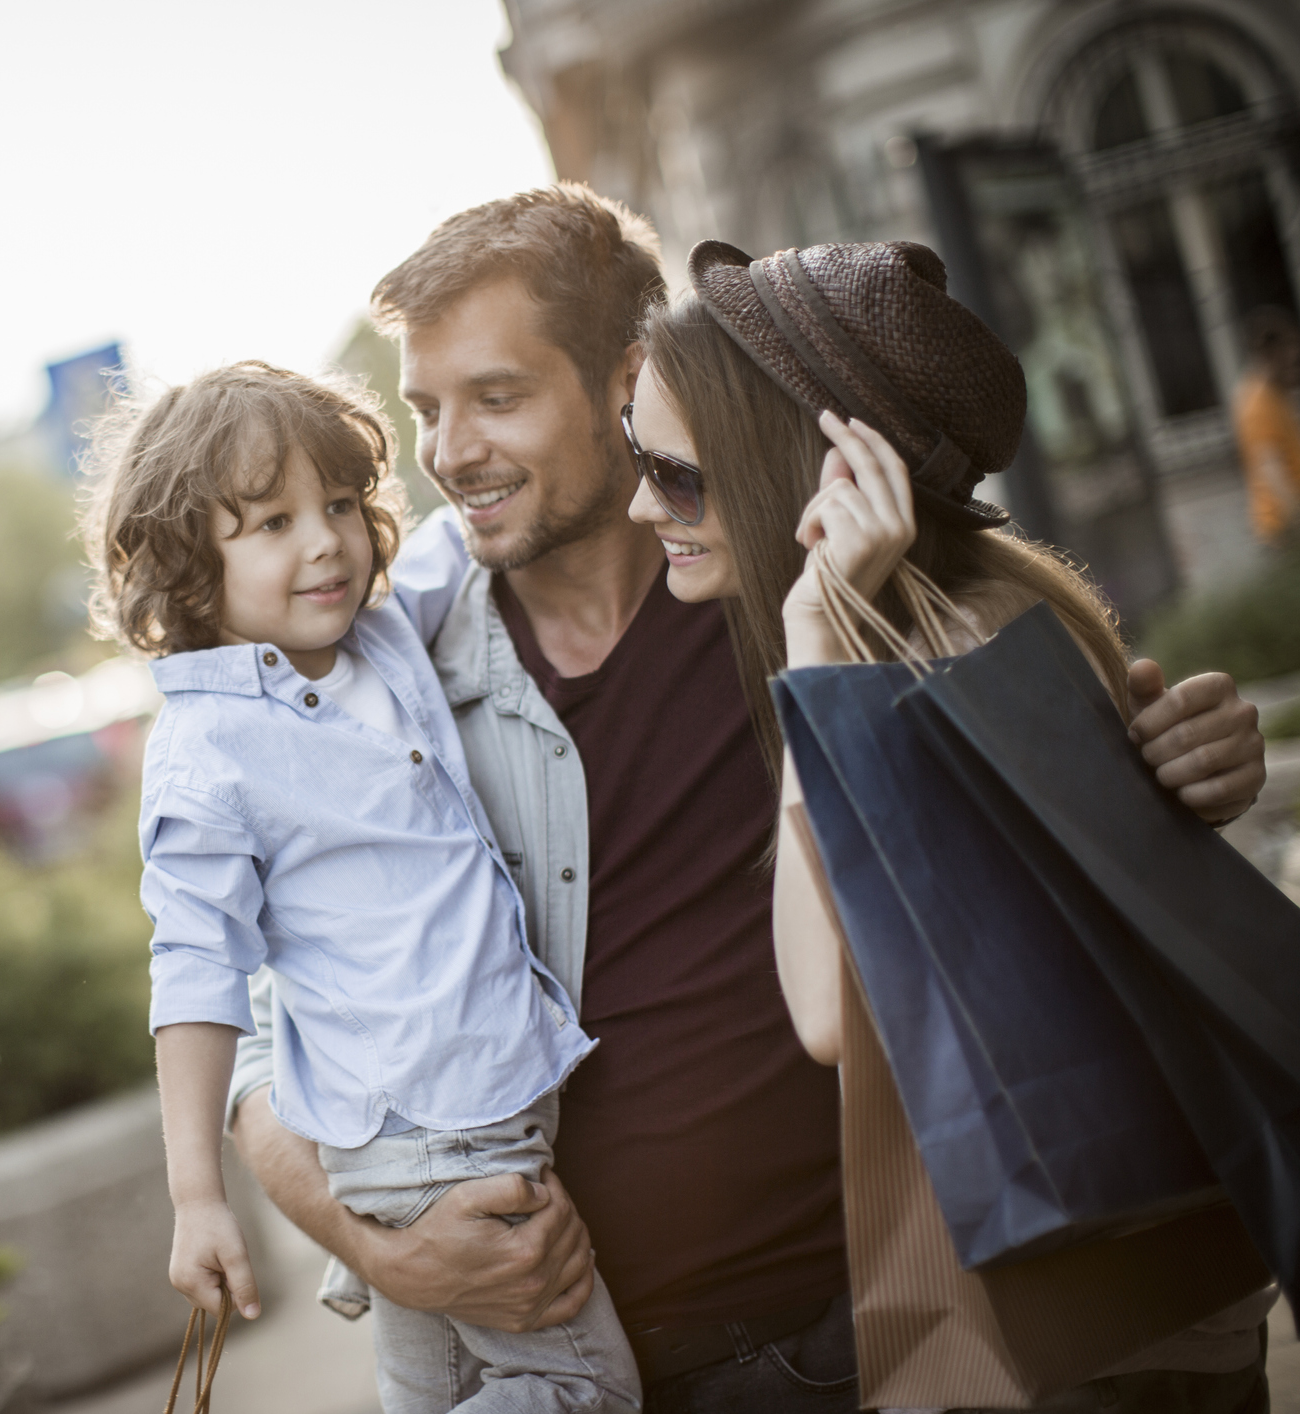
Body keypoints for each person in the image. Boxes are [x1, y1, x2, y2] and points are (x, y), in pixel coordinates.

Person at [224, 186, 1271, 1414]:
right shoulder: (380, 688)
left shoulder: (812, 578)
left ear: (629, 381)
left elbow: (1044, 848)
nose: (448, 451)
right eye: (427, 409)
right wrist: (383, 1250)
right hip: (655, 1361)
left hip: (948, 1305)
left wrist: (1167, 768)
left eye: (496, 397)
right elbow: (257, 1039)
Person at [624, 235, 1276, 1412]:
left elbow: (829, 1012)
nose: (641, 503)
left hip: (1090, 1329)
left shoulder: (933, 646)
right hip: (1144, 1296)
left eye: (676, 474)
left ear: (806, 467)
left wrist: (817, 652)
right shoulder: (997, 594)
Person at [85, 362, 640, 1412]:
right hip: (434, 1133)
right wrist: (198, 1195)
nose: (325, 540)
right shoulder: (207, 747)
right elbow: (196, 974)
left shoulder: (379, 636)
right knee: (588, 1389)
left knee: (436, 1392)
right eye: (270, 522)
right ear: (187, 564)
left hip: (444, 1113)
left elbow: (458, 539)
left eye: (339, 503)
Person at [1234, 306, 1300, 549]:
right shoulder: (1257, 403)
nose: (1295, 355)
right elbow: (1271, 470)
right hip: (1283, 529)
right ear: (1270, 354)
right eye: (1289, 349)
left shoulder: (1276, 395)